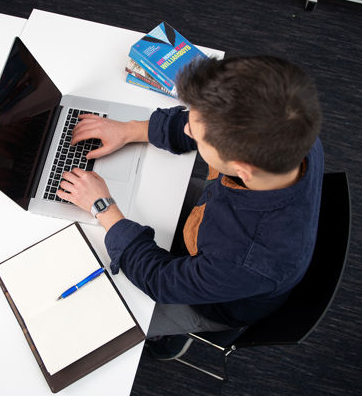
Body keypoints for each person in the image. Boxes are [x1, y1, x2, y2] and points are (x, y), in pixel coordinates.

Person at [56, 56, 324, 360]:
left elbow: (160, 281)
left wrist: (103, 208)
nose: (188, 131)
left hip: (212, 301)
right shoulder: (292, 131)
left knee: (95, 322)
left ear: (240, 168)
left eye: (196, 136)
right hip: (215, 224)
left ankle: (171, 339)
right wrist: (130, 130)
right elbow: (202, 122)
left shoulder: (249, 258)